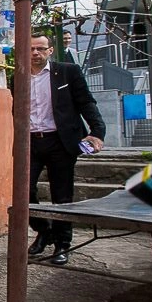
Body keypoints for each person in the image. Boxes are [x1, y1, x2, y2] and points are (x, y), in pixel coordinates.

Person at [27, 32, 106, 266]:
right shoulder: (18, 77)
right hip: (30, 142)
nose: (35, 53)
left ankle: (62, 244)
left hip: (61, 142)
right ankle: (44, 231)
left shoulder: (67, 72)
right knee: (24, 192)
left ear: (50, 51)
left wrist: (97, 132)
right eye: (31, 48)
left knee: (62, 196)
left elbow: (86, 102)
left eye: (41, 48)